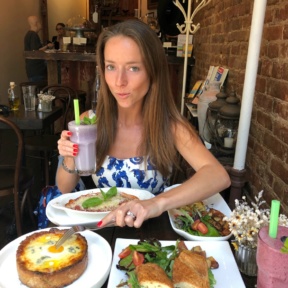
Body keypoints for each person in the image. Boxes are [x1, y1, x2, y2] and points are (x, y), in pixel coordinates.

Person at [56, 19, 230, 229]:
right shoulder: (89, 122)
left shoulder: (169, 125)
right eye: (111, 66)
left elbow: (218, 175)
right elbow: (65, 189)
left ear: (152, 71)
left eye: (133, 68)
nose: (119, 81)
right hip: (99, 231)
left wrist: (157, 203)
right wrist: (69, 155)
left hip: (150, 235)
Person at [24, 15, 54, 82]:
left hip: (32, 69)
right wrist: (48, 46)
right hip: (36, 69)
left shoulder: (28, 35)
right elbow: (36, 51)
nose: (41, 24)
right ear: (36, 23)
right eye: (39, 22)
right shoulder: (33, 35)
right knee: (40, 90)